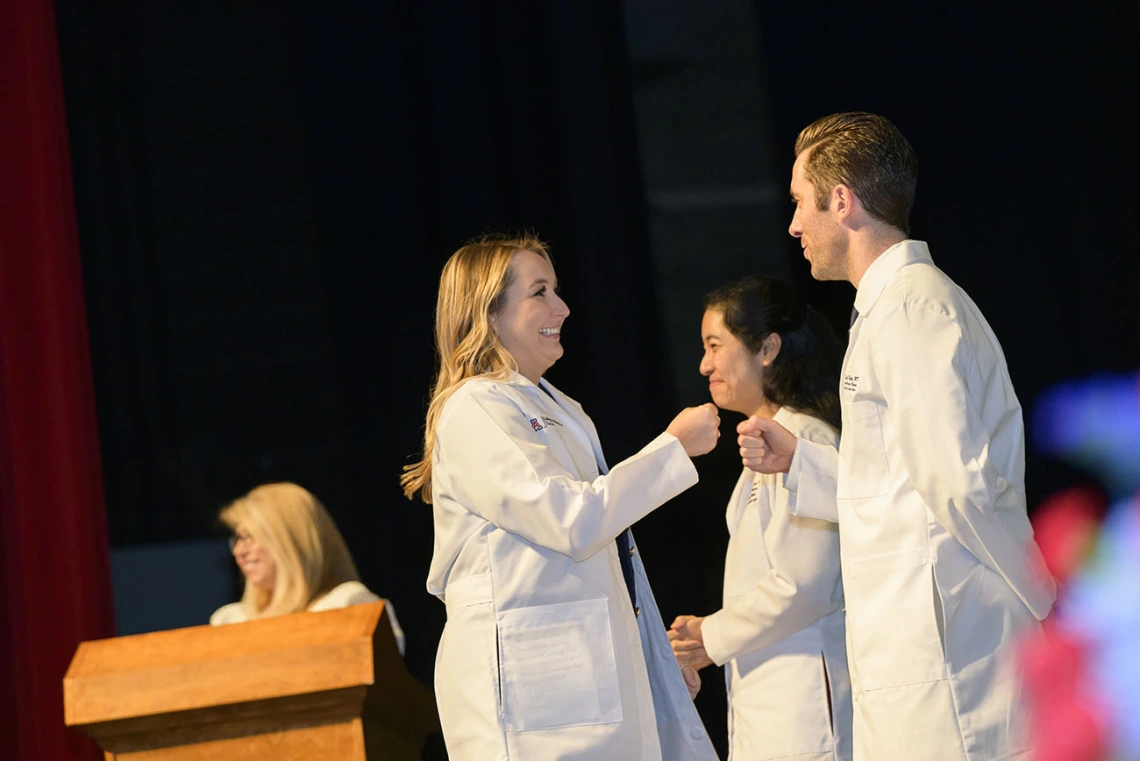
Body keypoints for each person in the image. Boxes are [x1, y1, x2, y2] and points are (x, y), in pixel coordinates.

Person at [739, 112, 1057, 760]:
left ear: (841, 201)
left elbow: (956, 482)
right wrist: (802, 458)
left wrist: (1043, 598)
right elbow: (896, 482)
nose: (794, 225)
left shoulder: (913, 308)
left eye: (801, 203)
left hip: (949, 657)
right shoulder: (887, 311)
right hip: (914, 651)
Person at [400, 232, 721, 761]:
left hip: (583, 683)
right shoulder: (476, 407)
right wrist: (673, 450)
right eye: (540, 292)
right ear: (489, 313)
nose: (563, 307)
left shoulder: (563, 409)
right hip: (532, 693)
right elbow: (571, 520)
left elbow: (608, 567)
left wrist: (650, 668)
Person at [668, 274, 852, 761]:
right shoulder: (768, 442)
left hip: (807, 706)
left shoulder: (804, 440)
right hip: (770, 703)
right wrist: (707, 630)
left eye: (715, 345)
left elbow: (808, 583)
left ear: (767, 348)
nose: (705, 364)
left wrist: (712, 635)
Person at [210, 481, 406, 656]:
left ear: (293, 540)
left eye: (249, 537)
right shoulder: (230, 621)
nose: (239, 551)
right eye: (236, 539)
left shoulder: (347, 605)